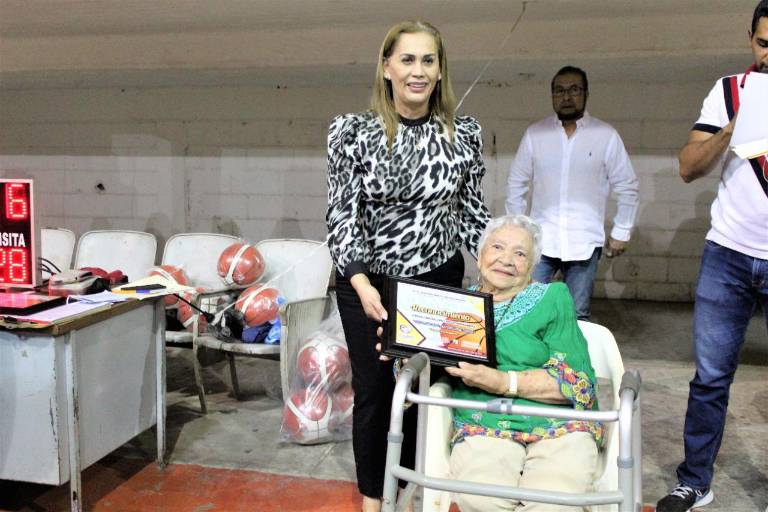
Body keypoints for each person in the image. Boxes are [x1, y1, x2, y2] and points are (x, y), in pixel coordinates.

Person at [326, 20, 490, 512]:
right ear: (386, 67)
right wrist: (359, 280)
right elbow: (341, 212)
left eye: (428, 60)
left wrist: (499, 265)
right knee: (375, 392)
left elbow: (471, 211)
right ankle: (374, 501)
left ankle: (417, 490)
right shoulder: (351, 131)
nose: (418, 71)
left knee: (431, 388)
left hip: (438, 280)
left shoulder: (465, 134)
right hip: (367, 282)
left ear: (440, 71)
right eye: (407, 59)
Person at [656, 2, 768, 511]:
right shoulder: (730, 91)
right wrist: (734, 129)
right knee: (710, 378)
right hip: (728, 254)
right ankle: (696, 481)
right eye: (764, 44)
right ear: (750, 38)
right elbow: (687, 167)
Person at [444, 214, 602, 512]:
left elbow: (578, 381)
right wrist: (400, 351)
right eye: (497, 248)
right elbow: (428, 361)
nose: (506, 259)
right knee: (481, 499)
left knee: (554, 506)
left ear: (531, 267)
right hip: (484, 425)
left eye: (520, 254)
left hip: (558, 425)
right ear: (479, 257)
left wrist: (504, 382)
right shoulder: (456, 307)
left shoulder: (553, 298)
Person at [505, 66, 639, 320]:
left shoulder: (606, 135)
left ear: (586, 93)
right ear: (552, 95)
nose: (566, 97)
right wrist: (518, 226)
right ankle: (533, 359)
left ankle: (569, 361)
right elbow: (516, 182)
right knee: (528, 309)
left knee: (577, 315)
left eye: (574, 90)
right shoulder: (535, 134)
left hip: (584, 242)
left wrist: (622, 230)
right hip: (541, 241)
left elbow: (627, 185)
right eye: (559, 91)